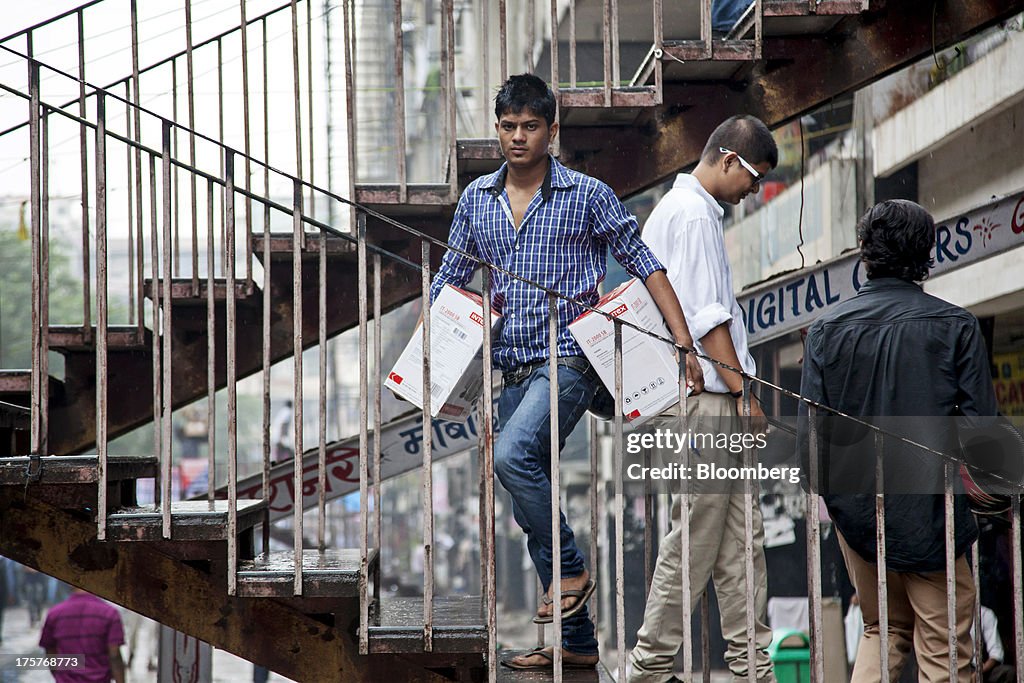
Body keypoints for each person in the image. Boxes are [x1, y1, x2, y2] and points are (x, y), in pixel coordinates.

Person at [430, 73, 704, 671]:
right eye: (508, 127)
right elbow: (448, 280)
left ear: (553, 131)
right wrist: (434, 354)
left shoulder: (586, 194)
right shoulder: (477, 199)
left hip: (573, 355)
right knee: (530, 493)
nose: (518, 138)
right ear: (497, 129)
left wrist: (684, 343)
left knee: (511, 458)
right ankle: (579, 646)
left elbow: (646, 264)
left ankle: (573, 569)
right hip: (510, 367)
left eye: (531, 127)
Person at [799, 199, 998, 682]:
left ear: (864, 250)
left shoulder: (825, 331)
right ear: (928, 252)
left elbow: (812, 446)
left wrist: (847, 504)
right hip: (933, 516)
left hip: (857, 514)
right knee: (944, 642)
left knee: (881, 630)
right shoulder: (956, 326)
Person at [628, 115, 778, 683]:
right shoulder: (691, 215)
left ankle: (751, 669)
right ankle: (649, 665)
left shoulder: (690, 211)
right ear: (727, 160)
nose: (753, 191)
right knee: (694, 538)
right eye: (753, 177)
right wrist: (746, 394)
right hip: (709, 402)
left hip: (711, 402)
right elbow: (708, 318)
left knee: (743, 544)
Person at [39, 587, 126, 683]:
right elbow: (114, 656)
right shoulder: (109, 613)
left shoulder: (54, 614)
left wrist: (59, 675)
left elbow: (50, 651)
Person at [973, 605, 1015, 683]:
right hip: (955, 668)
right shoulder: (946, 613)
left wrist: (980, 671)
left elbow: (996, 653)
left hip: (979, 668)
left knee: (1008, 672)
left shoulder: (984, 613)